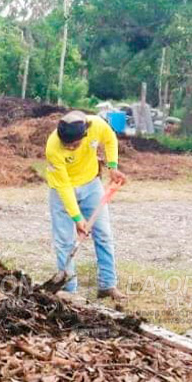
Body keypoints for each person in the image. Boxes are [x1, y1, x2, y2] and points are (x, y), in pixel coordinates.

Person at [44, 110, 128, 300]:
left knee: (104, 234)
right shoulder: (53, 147)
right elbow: (64, 186)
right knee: (64, 241)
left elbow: (110, 139)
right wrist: (77, 218)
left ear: (84, 134)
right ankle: (69, 290)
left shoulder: (96, 125)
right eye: (67, 145)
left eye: (74, 144)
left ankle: (107, 285)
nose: (71, 148)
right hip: (62, 190)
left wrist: (112, 167)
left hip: (91, 185)